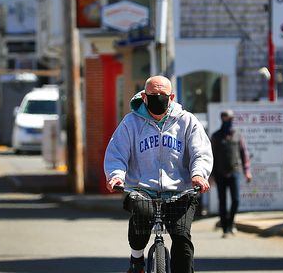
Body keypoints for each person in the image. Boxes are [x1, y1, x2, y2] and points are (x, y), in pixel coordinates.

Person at [105, 76, 212, 273]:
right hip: (142, 189)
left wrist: (198, 174)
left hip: (180, 191)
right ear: (144, 97)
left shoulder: (187, 121)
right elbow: (117, 153)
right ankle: (137, 260)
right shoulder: (131, 123)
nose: (158, 98)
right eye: (153, 95)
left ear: (171, 97)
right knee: (141, 219)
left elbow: (201, 152)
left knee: (181, 238)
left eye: (162, 95)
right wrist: (116, 175)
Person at [210, 110, 252, 237]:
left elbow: (244, 153)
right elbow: (211, 156)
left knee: (236, 200)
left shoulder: (237, 135)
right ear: (222, 119)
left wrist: (247, 171)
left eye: (230, 118)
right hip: (219, 173)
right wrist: (210, 175)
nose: (228, 121)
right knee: (222, 201)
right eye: (225, 118)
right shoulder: (216, 136)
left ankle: (231, 222)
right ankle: (225, 229)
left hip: (234, 172)